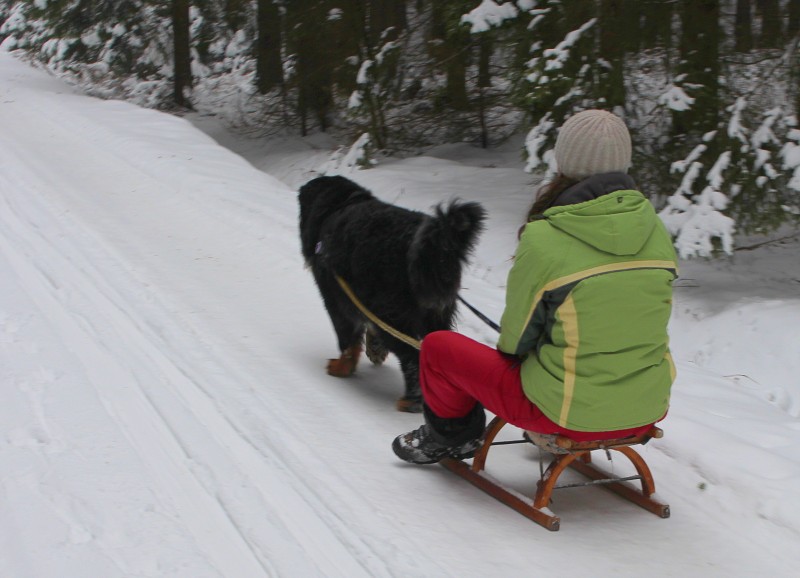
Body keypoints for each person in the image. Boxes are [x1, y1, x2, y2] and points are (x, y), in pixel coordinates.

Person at [393, 109, 678, 465]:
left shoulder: (546, 237)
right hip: (648, 407)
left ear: (564, 160)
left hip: (565, 413)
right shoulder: (657, 232)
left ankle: (451, 437)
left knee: (438, 347)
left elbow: (514, 344)